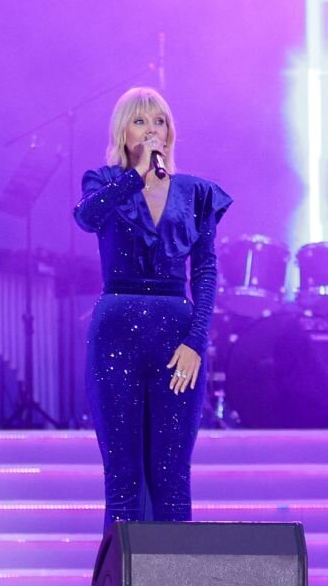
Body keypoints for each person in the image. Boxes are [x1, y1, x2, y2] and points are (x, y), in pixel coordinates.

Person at [73, 86, 231, 527]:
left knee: (171, 475)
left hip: (175, 339)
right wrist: (136, 176)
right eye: (140, 121)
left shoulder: (196, 193)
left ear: (170, 132)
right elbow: (87, 218)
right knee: (122, 476)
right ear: (122, 132)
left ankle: (175, 574)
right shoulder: (104, 182)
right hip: (116, 336)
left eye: (159, 121)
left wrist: (196, 342)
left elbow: (205, 271)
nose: (151, 130)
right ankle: (121, 573)